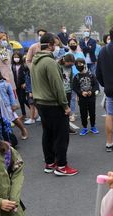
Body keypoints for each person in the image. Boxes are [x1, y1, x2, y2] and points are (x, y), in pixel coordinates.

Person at [31, 33, 78, 176]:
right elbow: (58, 87)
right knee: (61, 136)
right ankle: (62, 166)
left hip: (40, 103)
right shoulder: (50, 62)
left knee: (48, 134)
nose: (57, 47)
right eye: (56, 44)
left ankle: (50, 163)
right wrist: (65, 106)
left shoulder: (35, 61)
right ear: (50, 44)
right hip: (53, 104)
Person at [0, 65, 28, 140]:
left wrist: (13, 104)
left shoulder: (4, 82)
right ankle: (4, 135)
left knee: (13, 117)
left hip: (5, 104)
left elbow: (11, 93)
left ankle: (23, 130)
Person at [72, 58, 99, 136]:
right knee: (83, 113)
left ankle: (93, 126)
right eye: (77, 64)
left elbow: (96, 85)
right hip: (82, 99)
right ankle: (84, 127)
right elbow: (75, 87)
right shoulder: (76, 77)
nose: (79, 66)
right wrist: (81, 93)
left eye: (81, 64)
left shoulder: (91, 75)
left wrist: (92, 91)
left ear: (84, 64)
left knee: (92, 113)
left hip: (91, 98)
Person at [11, 53, 29, 120]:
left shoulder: (24, 66)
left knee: (23, 99)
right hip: (16, 85)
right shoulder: (12, 66)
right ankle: (23, 114)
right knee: (20, 100)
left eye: (17, 57)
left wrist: (25, 83)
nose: (16, 58)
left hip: (22, 85)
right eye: (15, 57)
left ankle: (33, 110)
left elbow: (27, 75)